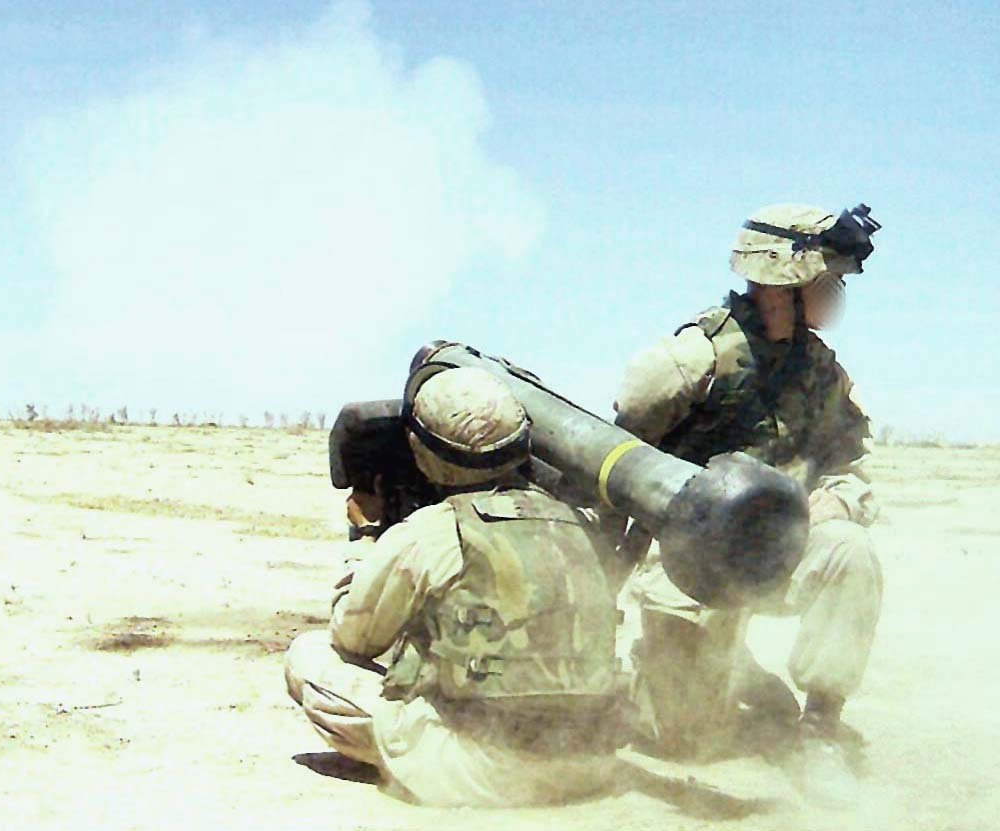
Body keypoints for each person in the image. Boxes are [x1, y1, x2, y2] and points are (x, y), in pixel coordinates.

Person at [614, 204, 883, 797]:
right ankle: (701, 671)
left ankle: (819, 731)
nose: (837, 295)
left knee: (849, 550)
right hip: (689, 566)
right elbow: (620, 460)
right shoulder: (692, 360)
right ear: (782, 282)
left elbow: (851, 465)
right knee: (684, 739)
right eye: (827, 281)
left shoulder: (822, 371)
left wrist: (839, 501)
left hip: (778, 549)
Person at [285, 367, 622, 806]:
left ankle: (416, 764)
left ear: (423, 452)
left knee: (308, 655)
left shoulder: (436, 530)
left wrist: (366, 537)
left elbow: (353, 637)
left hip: (488, 772)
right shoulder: (579, 524)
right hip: (592, 764)